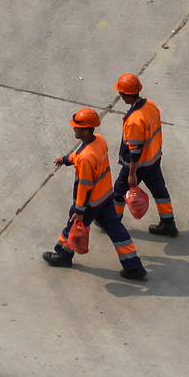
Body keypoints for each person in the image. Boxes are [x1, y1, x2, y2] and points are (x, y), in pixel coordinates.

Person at [43, 108, 147, 281]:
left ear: (86, 130)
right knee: (117, 230)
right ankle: (134, 266)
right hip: (105, 196)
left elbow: (84, 185)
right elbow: (79, 155)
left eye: (76, 127)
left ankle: (62, 256)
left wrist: (79, 210)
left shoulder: (85, 158)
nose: (73, 129)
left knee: (73, 226)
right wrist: (66, 159)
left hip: (90, 203)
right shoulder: (99, 140)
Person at [112, 72, 177, 237]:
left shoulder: (134, 120)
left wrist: (132, 174)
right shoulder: (150, 105)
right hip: (153, 159)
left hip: (138, 164)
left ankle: (112, 222)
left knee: (119, 190)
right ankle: (168, 224)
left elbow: (135, 150)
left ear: (125, 95)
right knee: (159, 191)